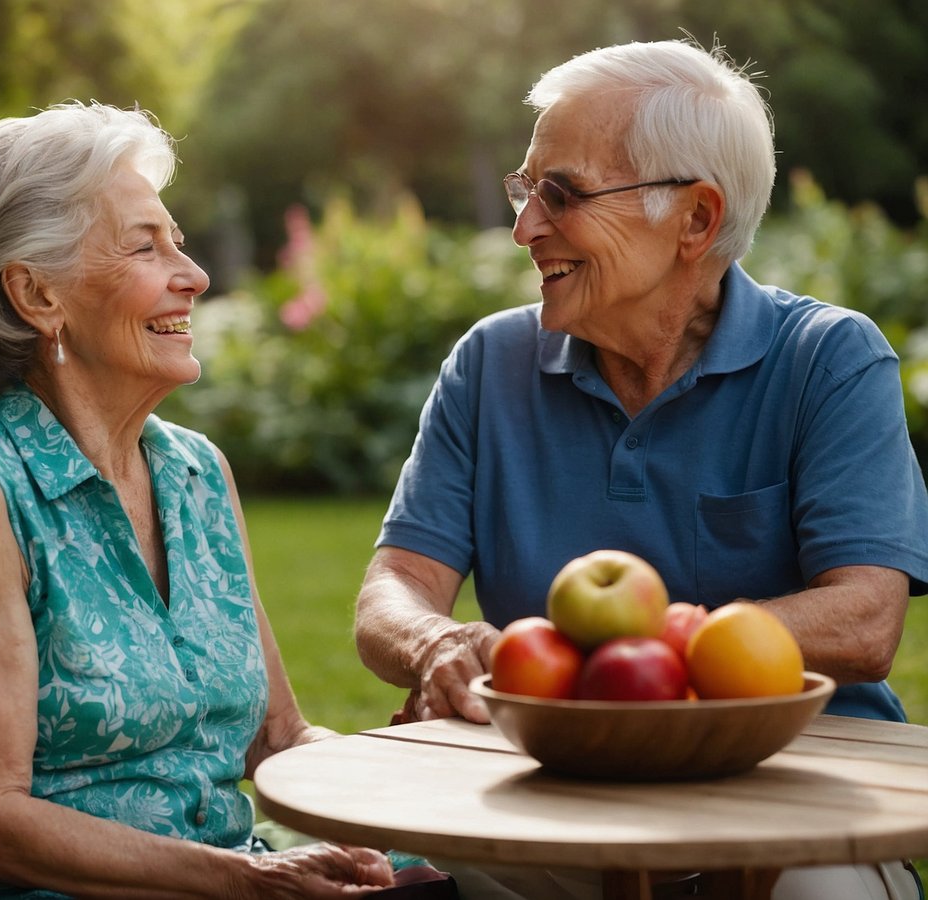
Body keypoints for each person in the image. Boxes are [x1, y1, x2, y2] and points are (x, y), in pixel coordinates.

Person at [353, 39, 928, 900]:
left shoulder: (828, 359)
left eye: (564, 192)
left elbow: (865, 620)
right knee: (467, 855)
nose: (524, 227)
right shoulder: (491, 363)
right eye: (526, 188)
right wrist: (436, 641)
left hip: (795, 789)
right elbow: (394, 582)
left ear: (695, 220)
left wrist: (621, 662)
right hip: (564, 793)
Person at [0, 101, 453, 898]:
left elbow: (277, 739)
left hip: (214, 879)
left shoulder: (195, 474)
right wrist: (243, 880)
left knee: (446, 880)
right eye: (146, 247)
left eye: (178, 242)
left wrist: (421, 775)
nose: (195, 276)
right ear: (36, 295)